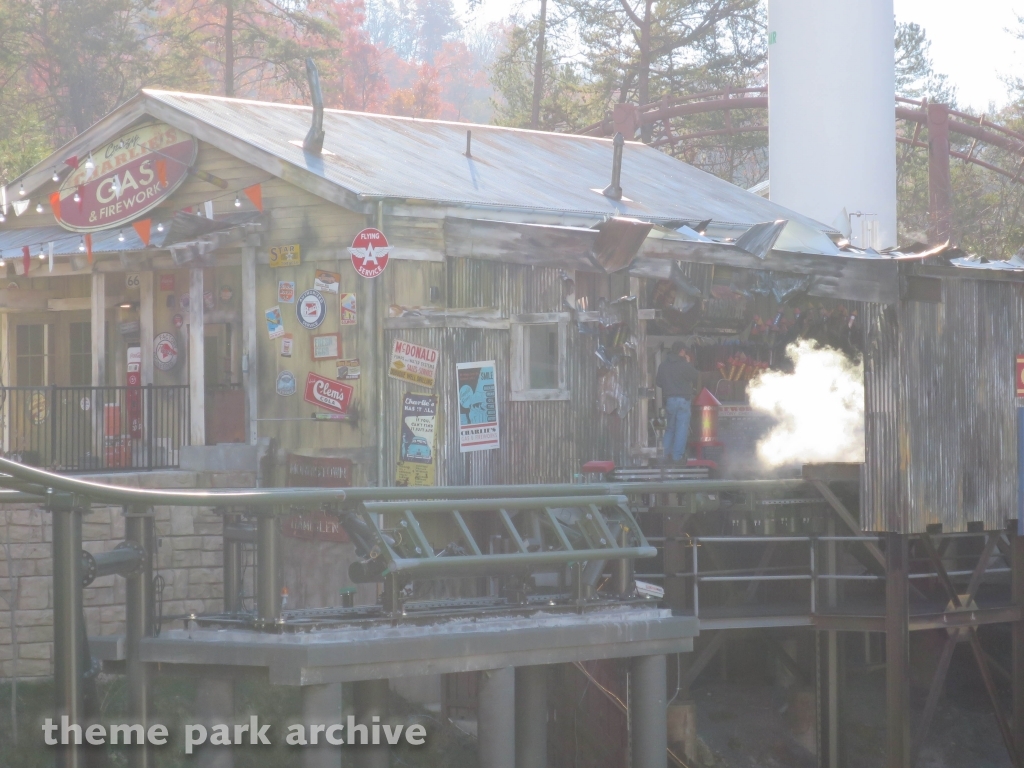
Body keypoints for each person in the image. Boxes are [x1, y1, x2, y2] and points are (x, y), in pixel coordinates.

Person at [656, 342, 699, 463]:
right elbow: (695, 376)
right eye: (685, 351)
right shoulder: (684, 365)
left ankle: (662, 457)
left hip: (670, 400)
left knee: (670, 429)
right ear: (681, 351)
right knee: (682, 429)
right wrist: (689, 363)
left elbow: (658, 382)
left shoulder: (663, 365)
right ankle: (677, 457)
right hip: (683, 401)